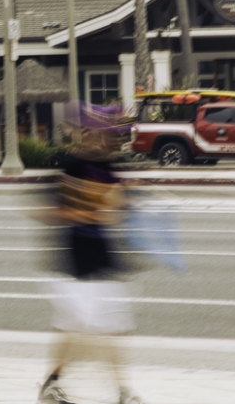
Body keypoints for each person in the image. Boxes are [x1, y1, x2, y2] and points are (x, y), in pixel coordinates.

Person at [38, 130, 141, 404]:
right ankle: (54, 384)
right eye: (92, 136)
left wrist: (122, 204)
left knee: (111, 329)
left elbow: (122, 204)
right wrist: (91, 211)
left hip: (104, 263)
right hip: (75, 266)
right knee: (80, 330)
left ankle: (121, 391)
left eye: (101, 137)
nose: (98, 141)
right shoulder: (70, 167)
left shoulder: (108, 167)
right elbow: (53, 211)